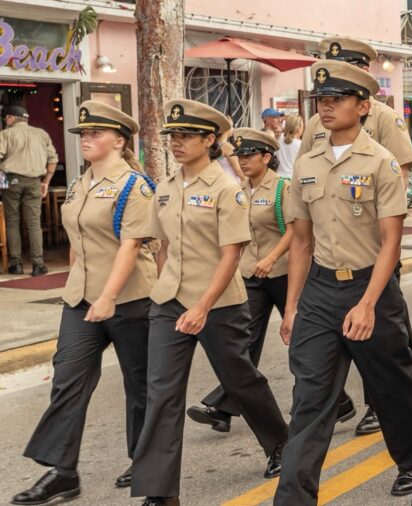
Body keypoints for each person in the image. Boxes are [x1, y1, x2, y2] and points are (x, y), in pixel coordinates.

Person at [275, 60, 412, 504]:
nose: (326, 107)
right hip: (321, 291)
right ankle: (294, 497)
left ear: (363, 106)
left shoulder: (380, 163)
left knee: (391, 387)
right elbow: (301, 242)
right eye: (321, 100)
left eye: (337, 99)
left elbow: (390, 242)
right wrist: (292, 305)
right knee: (310, 399)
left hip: (371, 289)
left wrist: (366, 304)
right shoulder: (306, 164)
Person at [132, 99, 288, 506]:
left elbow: (231, 255)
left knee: (240, 379)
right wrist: (167, 288)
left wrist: (201, 306)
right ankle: (159, 493)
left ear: (210, 140)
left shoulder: (226, 189)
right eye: (173, 136)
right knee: (161, 391)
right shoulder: (164, 188)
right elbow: (162, 245)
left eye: (185, 136)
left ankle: (281, 444)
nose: (176, 143)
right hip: (169, 302)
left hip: (218, 304)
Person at [11, 101, 154, 506]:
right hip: (82, 299)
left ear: (119, 140)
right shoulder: (79, 183)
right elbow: (78, 242)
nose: (87, 139)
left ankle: (144, 460)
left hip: (130, 298)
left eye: (95, 134)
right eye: (83, 134)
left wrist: (109, 296)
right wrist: (78, 285)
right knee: (67, 379)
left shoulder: (134, 186)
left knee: (140, 384)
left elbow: (131, 246)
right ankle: (62, 472)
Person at [299, 37, 412, 434]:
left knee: (385, 346)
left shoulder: (382, 117)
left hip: (373, 244)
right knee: (315, 375)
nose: (329, 95)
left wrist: (379, 216)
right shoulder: (319, 123)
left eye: (345, 71)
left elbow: (398, 169)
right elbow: (307, 174)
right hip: (328, 262)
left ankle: (381, 404)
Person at [186, 128, 301, 433]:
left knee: (300, 341)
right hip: (250, 274)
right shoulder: (240, 190)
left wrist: (272, 257)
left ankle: (337, 400)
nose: (244, 161)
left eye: (250, 155)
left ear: (267, 157)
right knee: (244, 341)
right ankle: (223, 408)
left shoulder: (282, 189)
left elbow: (295, 232)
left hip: (283, 273)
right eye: (241, 156)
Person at [0, 105, 58, 276]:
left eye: (6, 118)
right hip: (34, 181)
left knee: (12, 221)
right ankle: (38, 265)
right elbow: (53, 159)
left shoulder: (5, 134)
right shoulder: (41, 134)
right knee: (34, 223)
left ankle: (16, 265)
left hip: (13, 181)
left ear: (10, 118)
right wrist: (46, 181)